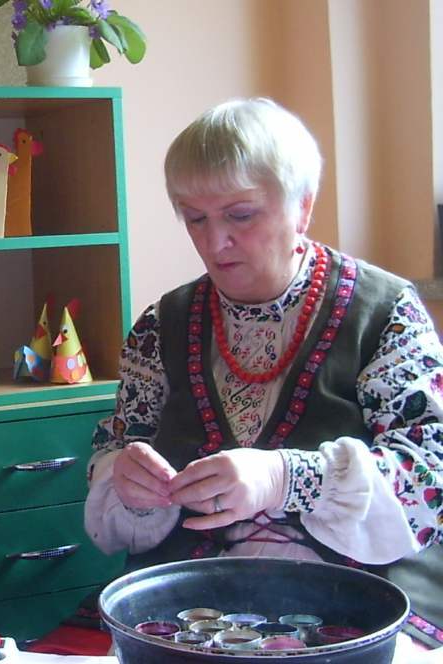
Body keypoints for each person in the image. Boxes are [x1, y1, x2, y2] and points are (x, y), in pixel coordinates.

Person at [80, 97, 443, 649]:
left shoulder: (386, 312)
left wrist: (287, 477)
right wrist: (127, 481)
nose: (213, 241)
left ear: (302, 206)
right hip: (190, 600)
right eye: (194, 217)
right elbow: (122, 444)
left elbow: (428, 478)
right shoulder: (162, 324)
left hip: (361, 593)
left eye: (240, 215)